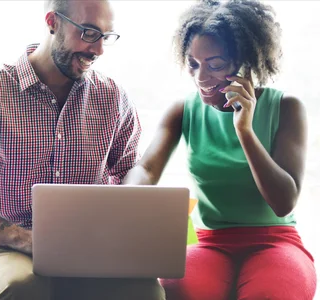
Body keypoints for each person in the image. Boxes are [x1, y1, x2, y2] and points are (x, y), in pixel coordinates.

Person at [0, 0, 166, 299]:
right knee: (22, 287)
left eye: (105, 37)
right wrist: (21, 238)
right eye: (89, 33)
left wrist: (134, 216)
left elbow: (127, 175)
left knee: (146, 292)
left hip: (91, 246)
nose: (98, 50)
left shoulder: (113, 98)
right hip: (8, 246)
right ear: (52, 22)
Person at [123, 0, 317, 299]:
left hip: (275, 241)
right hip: (208, 241)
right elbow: (146, 169)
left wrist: (245, 130)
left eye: (215, 64)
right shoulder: (183, 110)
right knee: (177, 290)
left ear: (247, 61)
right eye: (193, 63)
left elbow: (283, 202)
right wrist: (128, 196)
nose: (201, 78)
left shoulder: (287, 107)